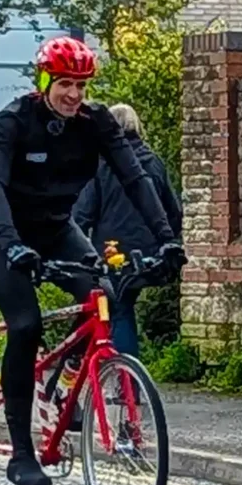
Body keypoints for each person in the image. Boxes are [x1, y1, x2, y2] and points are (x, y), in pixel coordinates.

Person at [0, 35, 185, 485]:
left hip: (55, 228)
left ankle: (61, 390)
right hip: (1, 230)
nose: (74, 95)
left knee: (102, 300)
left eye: (82, 85)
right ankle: (22, 454)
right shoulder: (13, 122)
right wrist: (11, 246)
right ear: (45, 81)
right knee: (26, 326)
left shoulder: (95, 123)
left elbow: (135, 178)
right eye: (65, 83)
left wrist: (169, 240)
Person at [73, 103, 183, 359]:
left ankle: (124, 383)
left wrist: (74, 248)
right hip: (148, 253)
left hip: (112, 252)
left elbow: (83, 214)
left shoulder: (101, 165)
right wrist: (164, 242)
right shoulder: (153, 162)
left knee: (117, 309)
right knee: (123, 307)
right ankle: (123, 374)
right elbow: (172, 210)